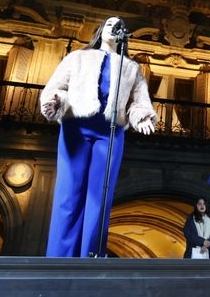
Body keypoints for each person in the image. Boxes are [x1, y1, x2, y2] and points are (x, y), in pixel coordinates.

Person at [40, 16, 157, 257]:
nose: (114, 27)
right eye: (110, 23)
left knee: (100, 195)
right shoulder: (78, 57)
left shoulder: (132, 67)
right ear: (101, 30)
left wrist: (142, 117)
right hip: (76, 127)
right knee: (69, 192)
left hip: (110, 133)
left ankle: (90, 254)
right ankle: (59, 257)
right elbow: (58, 87)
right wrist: (54, 101)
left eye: (119, 25)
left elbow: (138, 102)